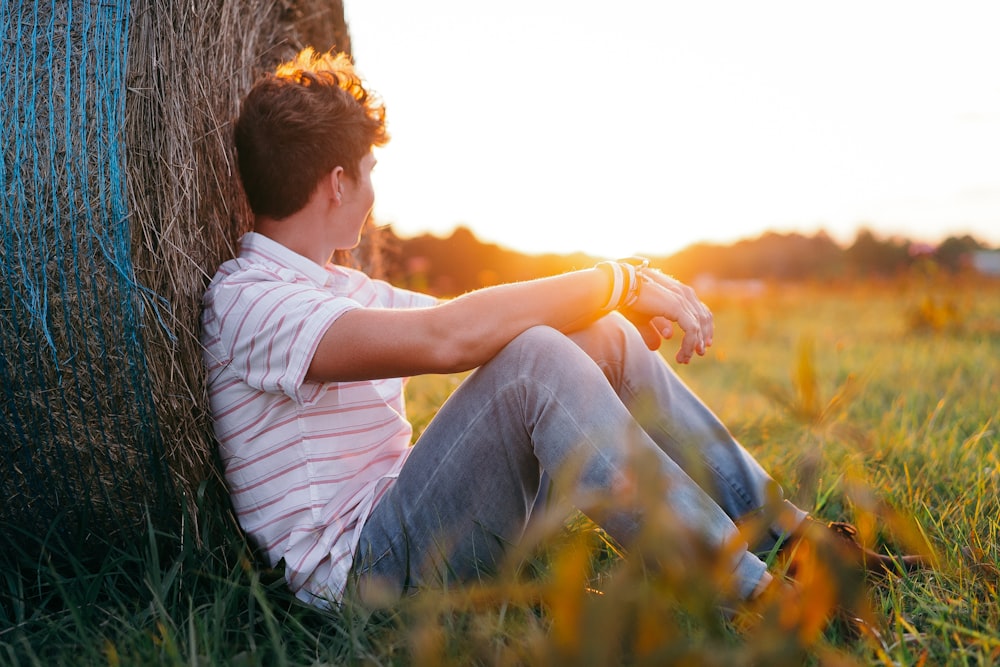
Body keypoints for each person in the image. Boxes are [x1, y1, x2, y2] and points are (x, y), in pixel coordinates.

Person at [201, 48, 922, 613]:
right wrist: (619, 277)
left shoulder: (335, 286)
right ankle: (758, 598)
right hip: (362, 575)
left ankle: (799, 547)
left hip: (414, 518)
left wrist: (607, 308)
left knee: (598, 338)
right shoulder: (251, 301)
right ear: (335, 183)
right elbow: (447, 339)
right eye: (368, 171)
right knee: (537, 359)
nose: (372, 189)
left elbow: (479, 319)